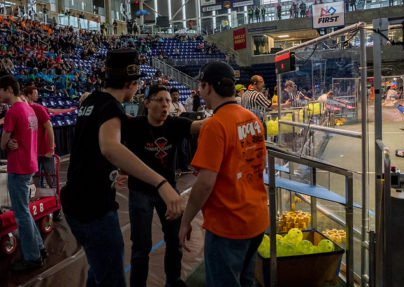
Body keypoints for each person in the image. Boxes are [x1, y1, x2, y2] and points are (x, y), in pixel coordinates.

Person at [60, 48, 183, 287]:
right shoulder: (111, 107)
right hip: (93, 209)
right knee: (112, 278)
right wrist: (162, 182)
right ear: (132, 83)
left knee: (98, 271)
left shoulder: (93, 101)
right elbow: (110, 148)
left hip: (75, 202)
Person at [179, 62, 269, 287]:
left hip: (229, 226)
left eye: (201, 87)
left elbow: (205, 183)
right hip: (257, 219)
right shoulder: (253, 119)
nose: (200, 92)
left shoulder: (215, 125)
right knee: (246, 281)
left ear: (208, 87)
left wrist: (186, 220)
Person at [124, 84, 205, 287]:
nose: (165, 105)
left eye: (168, 100)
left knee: (174, 240)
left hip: (168, 191)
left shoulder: (174, 124)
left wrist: (229, 112)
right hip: (140, 191)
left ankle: (174, 280)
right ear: (147, 103)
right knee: (141, 246)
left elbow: (201, 125)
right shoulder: (134, 126)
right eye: (160, 100)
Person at [0, 75, 46, 271]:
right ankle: (39, 248)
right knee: (25, 211)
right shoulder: (28, 108)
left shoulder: (13, 112)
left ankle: (33, 257)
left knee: (21, 214)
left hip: (18, 166)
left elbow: (2, 144)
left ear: (9, 89)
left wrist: (7, 143)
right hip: (29, 163)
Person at [22, 86, 57, 192]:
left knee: (51, 179)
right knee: (36, 179)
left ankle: (56, 200)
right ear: (28, 96)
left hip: (45, 149)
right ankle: (40, 197)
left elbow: (49, 127)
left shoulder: (39, 108)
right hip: (34, 151)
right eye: (35, 93)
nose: (37, 95)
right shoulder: (23, 110)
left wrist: (51, 149)